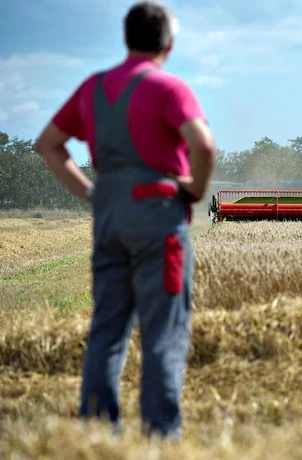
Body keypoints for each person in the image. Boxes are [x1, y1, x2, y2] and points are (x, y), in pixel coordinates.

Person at [34, 1, 216, 439]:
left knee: (108, 327)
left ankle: (98, 435)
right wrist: (194, 188)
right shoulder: (169, 88)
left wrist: (91, 192)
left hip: (109, 216)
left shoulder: (92, 88)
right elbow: (203, 146)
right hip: (158, 214)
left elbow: (48, 145)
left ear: (126, 39)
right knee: (163, 331)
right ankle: (160, 435)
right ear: (168, 43)